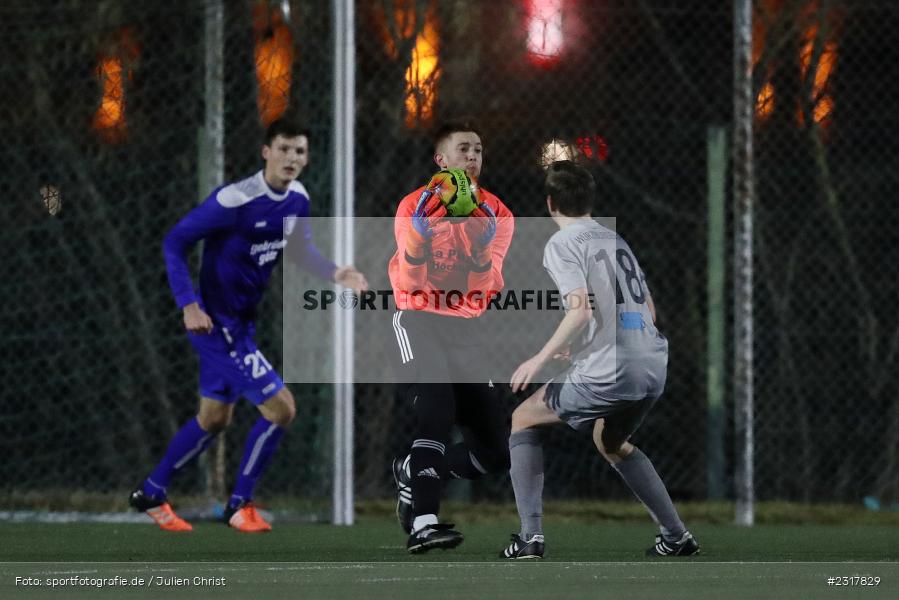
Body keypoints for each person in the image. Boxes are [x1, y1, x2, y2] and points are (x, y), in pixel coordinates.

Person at [129, 118, 368, 532]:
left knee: (214, 419)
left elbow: (299, 251)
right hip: (215, 325)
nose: (291, 158)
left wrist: (334, 273)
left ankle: (152, 491)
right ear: (266, 152)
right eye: (284, 149)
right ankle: (239, 504)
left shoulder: (298, 199)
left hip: (242, 324)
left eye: (299, 151)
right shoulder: (235, 199)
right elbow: (174, 242)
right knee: (281, 409)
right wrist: (188, 305)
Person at [500, 160, 698, 559]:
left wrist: (538, 360)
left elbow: (580, 311)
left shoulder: (563, 243)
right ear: (590, 200)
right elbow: (649, 311)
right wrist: (580, 346)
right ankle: (676, 537)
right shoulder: (614, 239)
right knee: (610, 441)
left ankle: (529, 538)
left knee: (523, 419)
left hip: (614, 368)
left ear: (550, 203)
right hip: (652, 364)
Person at [388, 118, 514, 553]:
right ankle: (424, 522)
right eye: (463, 148)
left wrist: (480, 252)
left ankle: (413, 470)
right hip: (418, 319)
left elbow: (485, 291)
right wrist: (418, 241)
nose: (473, 156)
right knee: (436, 413)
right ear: (441, 160)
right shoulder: (414, 206)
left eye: (478, 149)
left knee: (495, 454)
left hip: (465, 327)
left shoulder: (497, 213)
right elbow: (409, 283)